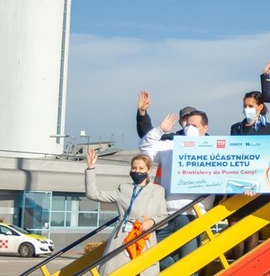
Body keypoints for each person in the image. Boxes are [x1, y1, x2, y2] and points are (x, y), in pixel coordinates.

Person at [140, 110, 211, 269]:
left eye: (194, 125)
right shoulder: (170, 145)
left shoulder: (213, 148)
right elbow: (145, 149)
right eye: (187, 125)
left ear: (205, 129)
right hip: (166, 214)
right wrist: (160, 130)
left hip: (193, 215)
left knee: (189, 264)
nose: (189, 129)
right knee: (150, 254)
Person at [84, 148, 167, 276]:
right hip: (122, 237)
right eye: (134, 168)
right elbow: (93, 194)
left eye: (141, 168)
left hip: (146, 238)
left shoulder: (158, 191)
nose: (137, 171)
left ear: (148, 170)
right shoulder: (123, 189)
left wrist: (152, 221)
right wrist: (91, 168)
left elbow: (163, 216)